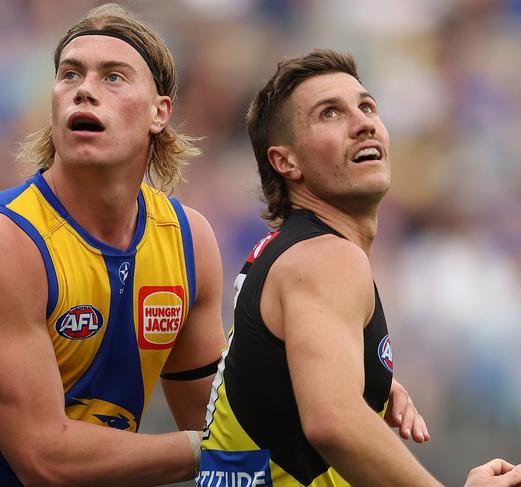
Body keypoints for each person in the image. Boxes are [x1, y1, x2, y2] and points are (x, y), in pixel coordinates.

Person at [0, 4, 226, 486]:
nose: (85, 89)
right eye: (70, 74)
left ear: (160, 112)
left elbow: (215, 429)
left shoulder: (189, 241)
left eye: (113, 77)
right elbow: (46, 460)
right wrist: (206, 450)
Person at [199, 49, 521, 487]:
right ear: (285, 161)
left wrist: (365, 373)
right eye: (330, 113)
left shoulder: (283, 253)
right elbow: (334, 421)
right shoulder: (325, 257)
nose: (364, 122)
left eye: (367, 106)